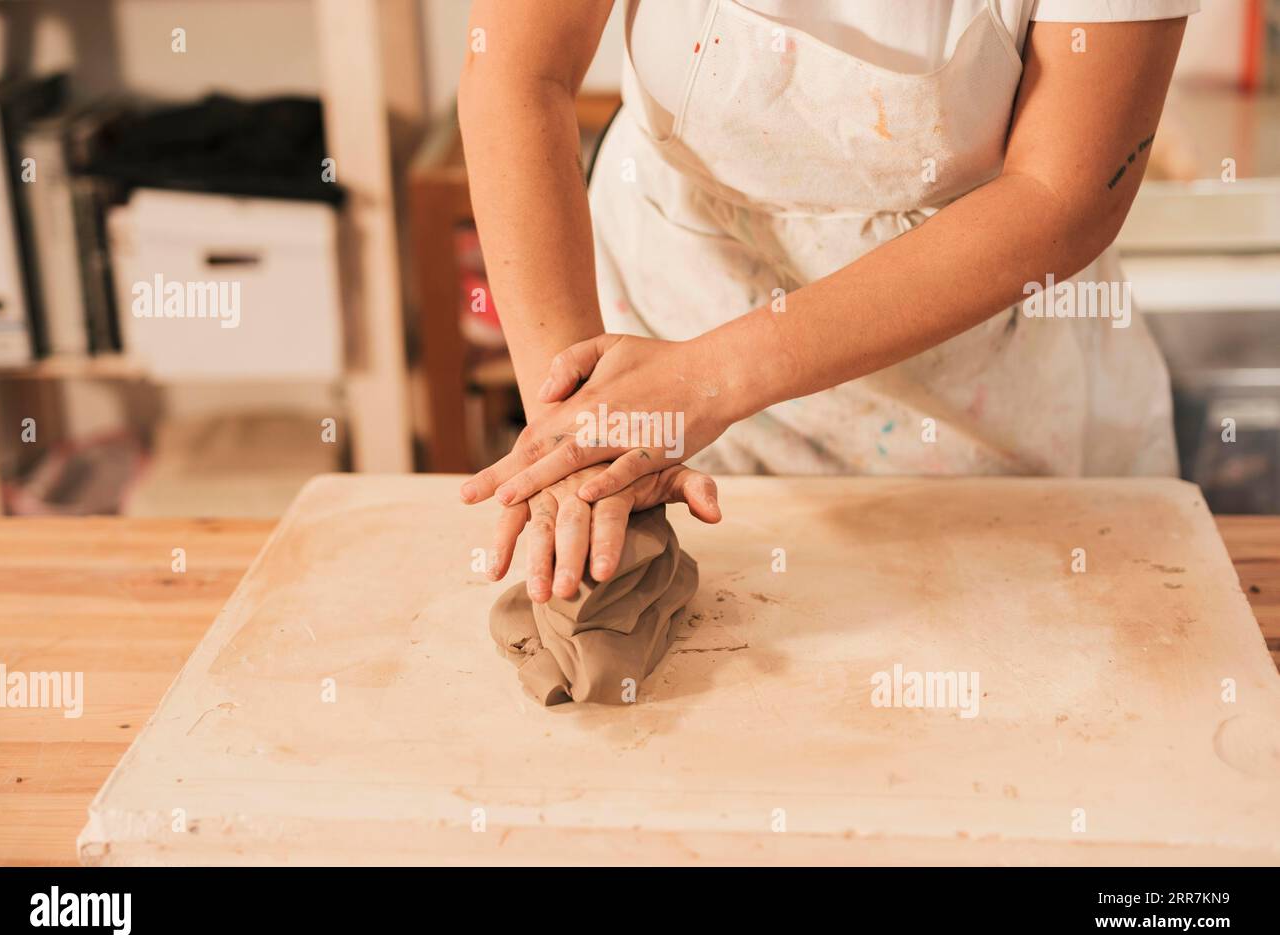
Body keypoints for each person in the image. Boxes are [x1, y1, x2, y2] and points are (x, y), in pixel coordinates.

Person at [456, 0, 1196, 603]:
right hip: (665, 313)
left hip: (972, 395)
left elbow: (1062, 196)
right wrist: (576, 429)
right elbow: (518, 72)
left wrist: (709, 378)